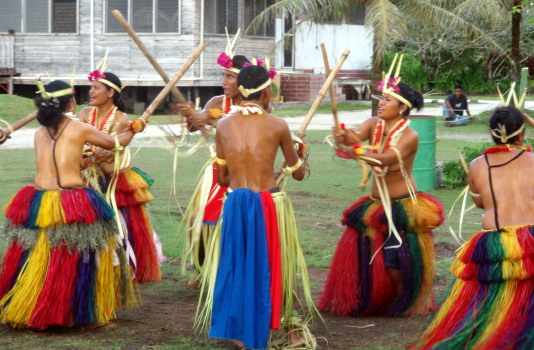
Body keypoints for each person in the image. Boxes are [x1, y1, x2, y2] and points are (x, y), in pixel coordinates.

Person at [0, 79, 144, 329]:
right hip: (70, 199)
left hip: (40, 198)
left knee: (40, 257)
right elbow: (114, 144)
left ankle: (31, 308)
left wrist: (84, 159)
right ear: (70, 102)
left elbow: (61, 163)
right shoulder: (78, 127)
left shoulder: (40, 131)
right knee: (83, 258)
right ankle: (83, 317)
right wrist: (134, 128)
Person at [196, 65, 317, 350]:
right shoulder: (277, 125)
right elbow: (298, 173)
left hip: (236, 203)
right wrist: (300, 155)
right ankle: (293, 332)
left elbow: (223, 179)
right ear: (266, 92)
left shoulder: (223, 124)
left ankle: (239, 333)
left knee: (238, 264)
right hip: (269, 204)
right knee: (282, 265)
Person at [416, 105, 534, 349]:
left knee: (492, 299)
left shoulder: (478, 164)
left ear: (492, 134)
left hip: (498, 238)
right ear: (521, 135)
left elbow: (479, 201)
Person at [318, 55, 444, 318]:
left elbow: (387, 158)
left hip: (401, 204)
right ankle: (375, 298)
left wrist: (355, 150)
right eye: (381, 98)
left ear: (402, 108)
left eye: (388, 100)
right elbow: (354, 137)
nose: (381, 103)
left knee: (396, 258)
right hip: (375, 203)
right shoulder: (373, 125)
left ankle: (403, 300)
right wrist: (343, 136)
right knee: (365, 254)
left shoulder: (410, 135)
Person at [78, 70, 163, 283]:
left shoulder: (121, 118)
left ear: (110, 93)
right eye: (91, 87)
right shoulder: (85, 114)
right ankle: (92, 269)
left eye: (96, 87)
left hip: (114, 180)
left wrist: (131, 132)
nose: (90, 91)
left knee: (122, 227)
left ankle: (122, 268)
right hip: (87, 179)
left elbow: (118, 144)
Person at [177, 52, 252, 288]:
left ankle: (238, 269)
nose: (224, 81)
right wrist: (191, 115)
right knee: (204, 220)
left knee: (240, 221)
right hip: (217, 172)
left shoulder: (256, 105)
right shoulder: (217, 102)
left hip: (247, 172)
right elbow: (196, 124)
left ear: (244, 80)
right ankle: (203, 269)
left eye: (230, 76)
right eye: (223, 75)